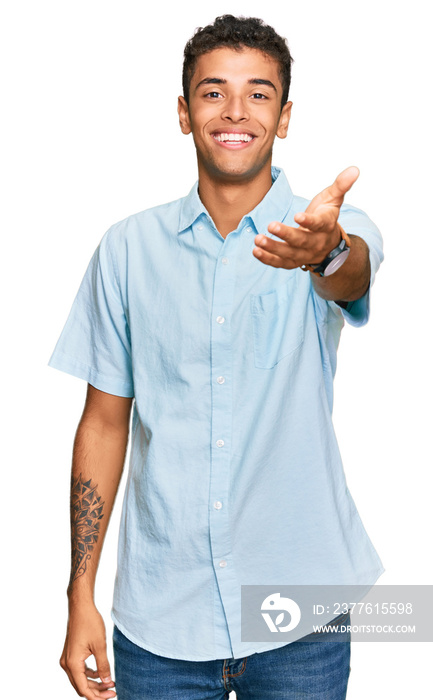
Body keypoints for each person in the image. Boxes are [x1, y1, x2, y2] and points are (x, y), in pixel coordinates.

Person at [50, 14, 384, 700]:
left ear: (284, 116)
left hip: (300, 611)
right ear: (183, 112)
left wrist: (323, 251)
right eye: (213, 92)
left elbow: (350, 271)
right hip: (162, 621)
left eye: (258, 94)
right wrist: (79, 592)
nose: (235, 111)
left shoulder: (327, 229)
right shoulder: (127, 249)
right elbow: (105, 422)